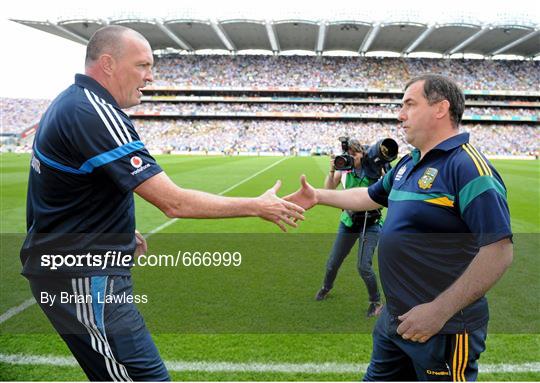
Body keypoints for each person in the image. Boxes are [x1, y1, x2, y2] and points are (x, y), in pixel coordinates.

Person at [20, 25, 304, 381]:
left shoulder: (73, 101)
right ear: (108, 64)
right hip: (83, 275)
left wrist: (117, 230)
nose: (150, 77)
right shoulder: (93, 111)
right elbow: (174, 203)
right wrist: (257, 206)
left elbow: (64, 189)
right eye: (142, 65)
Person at [286, 74, 513, 381]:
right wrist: (318, 196)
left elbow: (499, 250)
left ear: (440, 109)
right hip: (394, 322)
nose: (400, 114)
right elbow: (369, 196)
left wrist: (438, 312)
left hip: (443, 329)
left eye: (409, 104)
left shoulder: (469, 168)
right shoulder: (408, 164)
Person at [316, 139, 384, 318]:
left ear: (363, 154)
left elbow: (387, 189)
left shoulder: (374, 170)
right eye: (349, 155)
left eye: (355, 154)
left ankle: (376, 302)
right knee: (333, 262)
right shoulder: (344, 170)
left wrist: (382, 170)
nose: (351, 158)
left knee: (363, 266)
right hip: (348, 222)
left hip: (370, 224)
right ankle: (326, 287)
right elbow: (329, 190)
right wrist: (332, 170)